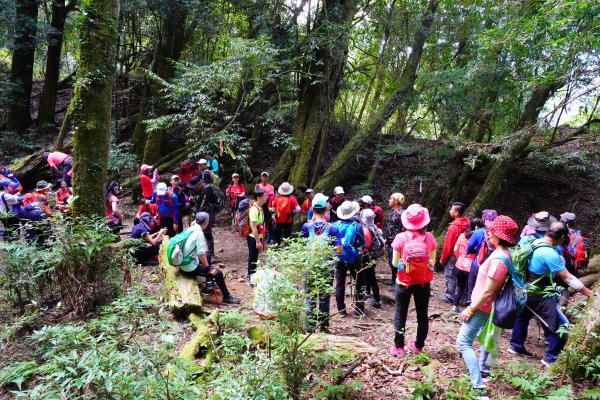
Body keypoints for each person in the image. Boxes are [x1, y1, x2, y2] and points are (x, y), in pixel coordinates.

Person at [509, 222, 593, 366]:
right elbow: (568, 277)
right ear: (561, 237)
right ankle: (551, 358)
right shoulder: (549, 253)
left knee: (523, 317)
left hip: (525, 290)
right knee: (562, 325)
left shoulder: (535, 242)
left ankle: (516, 345)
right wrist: (589, 293)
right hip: (539, 295)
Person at [457, 216, 518, 399]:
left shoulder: (499, 260)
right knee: (481, 340)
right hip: (483, 306)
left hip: (481, 307)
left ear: (499, 236)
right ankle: (481, 372)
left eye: (491, 230)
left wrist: (470, 309)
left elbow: (488, 291)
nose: (488, 232)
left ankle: (478, 387)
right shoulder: (501, 253)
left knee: (463, 343)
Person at [389, 204, 437, 356]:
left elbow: (395, 263)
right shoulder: (429, 238)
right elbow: (432, 262)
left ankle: (399, 347)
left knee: (400, 314)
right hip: (423, 282)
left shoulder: (400, 238)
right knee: (422, 314)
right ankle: (418, 346)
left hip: (404, 282)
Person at [178, 212, 241, 304]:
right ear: (206, 222)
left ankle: (209, 283)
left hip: (183, 261)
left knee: (207, 255)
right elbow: (201, 254)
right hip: (189, 267)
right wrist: (209, 269)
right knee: (218, 273)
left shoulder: (191, 228)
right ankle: (227, 297)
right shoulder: (198, 233)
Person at [301, 195, 341, 332]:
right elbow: (339, 250)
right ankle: (324, 327)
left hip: (310, 265)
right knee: (324, 297)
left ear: (312, 209)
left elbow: (300, 247)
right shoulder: (332, 228)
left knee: (310, 297)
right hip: (326, 266)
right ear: (326, 209)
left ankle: (309, 327)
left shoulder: (306, 227)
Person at [333, 201, 366, 317]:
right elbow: (362, 243)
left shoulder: (335, 225)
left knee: (340, 283)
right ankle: (359, 310)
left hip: (339, 256)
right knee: (359, 282)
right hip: (354, 257)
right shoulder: (357, 226)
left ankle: (341, 310)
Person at [440, 201, 470, 303]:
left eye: (451, 209)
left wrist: (443, 258)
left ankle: (450, 295)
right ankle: (463, 297)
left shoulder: (454, 227)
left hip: (453, 255)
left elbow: (448, 245)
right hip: (464, 255)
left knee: (450, 275)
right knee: (462, 276)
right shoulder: (467, 224)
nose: (450, 211)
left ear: (456, 213)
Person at [466, 211, 497, 302]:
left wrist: (475, 251)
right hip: (493, 263)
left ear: (483, 219)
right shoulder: (498, 233)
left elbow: (470, 246)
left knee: (472, 284)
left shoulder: (479, 232)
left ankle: (470, 302)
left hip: (478, 262)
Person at [361, 209, 382, 310]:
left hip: (367, 256)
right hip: (373, 255)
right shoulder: (374, 227)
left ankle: (377, 300)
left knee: (371, 277)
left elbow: (366, 246)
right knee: (370, 275)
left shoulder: (365, 230)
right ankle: (369, 294)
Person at [452, 224, 476, 313]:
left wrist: (459, 258)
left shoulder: (462, 235)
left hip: (459, 265)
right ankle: (469, 310)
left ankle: (454, 307)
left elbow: (455, 249)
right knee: (471, 289)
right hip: (470, 267)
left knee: (459, 286)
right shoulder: (476, 237)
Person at [197, 172, 220, 259]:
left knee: (207, 232)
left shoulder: (207, 187)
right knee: (207, 232)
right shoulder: (212, 186)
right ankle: (210, 252)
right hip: (211, 212)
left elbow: (204, 201)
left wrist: (200, 211)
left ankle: (211, 253)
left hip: (207, 212)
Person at [385, 193, 405, 286]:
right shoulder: (392, 212)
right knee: (391, 262)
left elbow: (403, 229)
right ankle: (394, 280)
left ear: (396, 201)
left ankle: (396, 282)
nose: (389, 200)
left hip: (397, 243)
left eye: (391, 199)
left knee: (396, 263)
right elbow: (390, 227)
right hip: (390, 241)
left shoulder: (402, 214)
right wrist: (386, 238)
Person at [247, 189, 267, 282]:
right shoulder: (254, 209)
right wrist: (257, 241)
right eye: (264, 196)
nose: (266, 198)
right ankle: (251, 278)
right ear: (259, 198)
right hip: (253, 238)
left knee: (255, 257)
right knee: (252, 258)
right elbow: (254, 227)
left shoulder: (259, 208)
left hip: (258, 237)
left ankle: (253, 277)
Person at [255, 172, 275, 242]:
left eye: (265, 177)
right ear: (261, 178)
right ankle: (259, 236)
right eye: (263, 177)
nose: (264, 178)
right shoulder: (258, 186)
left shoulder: (271, 187)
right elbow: (256, 195)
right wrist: (256, 189)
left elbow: (271, 196)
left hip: (267, 205)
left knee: (268, 221)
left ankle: (271, 237)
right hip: (259, 205)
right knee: (259, 220)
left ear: (268, 178)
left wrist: (264, 198)